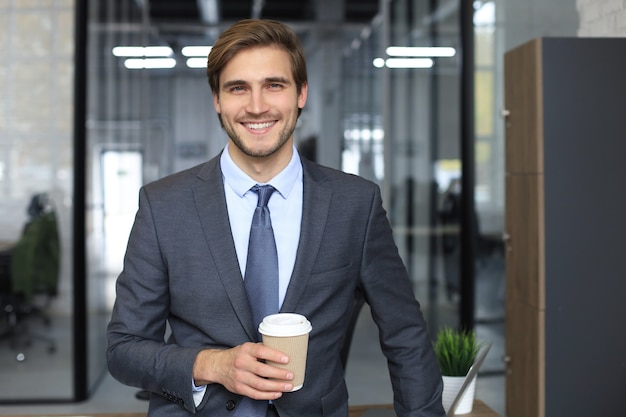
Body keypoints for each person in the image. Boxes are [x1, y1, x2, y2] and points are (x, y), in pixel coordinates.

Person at [106, 19, 444, 417]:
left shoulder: (355, 204)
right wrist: (212, 365)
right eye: (237, 88)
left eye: (274, 85)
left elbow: (404, 333)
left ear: (301, 93)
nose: (256, 106)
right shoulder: (164, 205)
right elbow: (123, 348)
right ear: (217, 99)